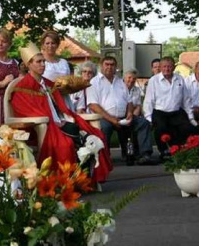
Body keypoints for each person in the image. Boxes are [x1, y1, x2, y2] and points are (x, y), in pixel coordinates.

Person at [10, 42, 112, 183]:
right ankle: (65, 183)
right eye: (38, 62)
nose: (43, 65)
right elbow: (24, 109)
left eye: (43, 61)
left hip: (61, 121)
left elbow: (60, 105)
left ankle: (88, 180)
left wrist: (66, 118)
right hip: (41, 128)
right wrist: (54, 121)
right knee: (66, 144)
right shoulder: (23, 87)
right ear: (29, 64)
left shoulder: (48, 84)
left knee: (95, 134)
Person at [87, 60, 153, 166]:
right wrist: (111, 119)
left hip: (123, 116)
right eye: (107, 64)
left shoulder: (120, 82)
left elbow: (129, 101)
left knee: (143, 123)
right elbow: (93, 105)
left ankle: (144, 155)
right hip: (104, 118)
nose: (109, 67)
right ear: (101, 66)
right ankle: (104, 158)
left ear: (116, 67)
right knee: (105, 127)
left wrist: (130, 113)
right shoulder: (94, 82)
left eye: (112, 65)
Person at [143, 57, 195, 161]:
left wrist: (190, 116)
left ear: (174, 67)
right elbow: (149, 100)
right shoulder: (154, 80)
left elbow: (186, 99)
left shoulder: (180, 79)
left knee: (187, 127)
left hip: (176, 111)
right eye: (164, 66)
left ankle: (178, 149)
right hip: (160, 112)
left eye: (169, 66)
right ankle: (164, 151)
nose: (167, 69)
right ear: (161, 67)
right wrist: (148, 118)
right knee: (161, 128)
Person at [40, 31, 75, 111]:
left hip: (64, 99)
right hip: (47, 100)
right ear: (43, 45)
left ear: (57, 45)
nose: (50, 46)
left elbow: (70, 81)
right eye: (47, 43)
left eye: (53, 43)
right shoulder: (40, 62)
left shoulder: (64, 62)